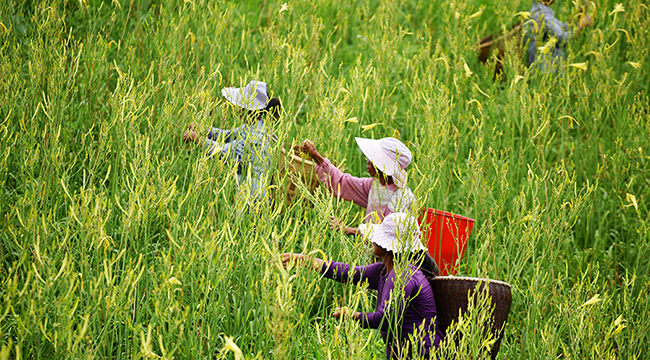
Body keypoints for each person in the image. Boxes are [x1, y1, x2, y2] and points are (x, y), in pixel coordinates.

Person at [282, 213, 443, 359]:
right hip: (404, 352)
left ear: (390, 247)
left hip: (423, 352)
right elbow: (345, 272)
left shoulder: (403, 274)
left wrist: (354, 315)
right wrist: (302, 259)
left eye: (378, 238)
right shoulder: (383, 270)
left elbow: (385, 319)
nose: (372, 239)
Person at [183, 80, 282, 202]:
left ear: (248, 109)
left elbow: (224, 152)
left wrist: (197, 139)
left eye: (240, 106)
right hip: (249, 192)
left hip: (254, 198)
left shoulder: (255, 137)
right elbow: (225, 135)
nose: (236, 108)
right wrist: (203, 129)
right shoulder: (254, 126)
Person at [301, 137, 416, 235]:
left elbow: (389, 234)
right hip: (369, 253)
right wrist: (316, 156)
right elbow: (342, 183)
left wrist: (350, 230)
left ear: (381, 167)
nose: (367, 162)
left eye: (371, 160)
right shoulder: (374, 186)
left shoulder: (402, 198)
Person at [523, 0, 592, 72]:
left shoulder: (540, 11)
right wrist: (580, 26)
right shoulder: (542, 14)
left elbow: (563, 26)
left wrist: (580, 12)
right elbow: (563, 38)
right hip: (547, 69)